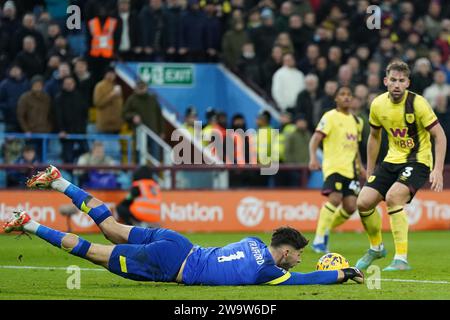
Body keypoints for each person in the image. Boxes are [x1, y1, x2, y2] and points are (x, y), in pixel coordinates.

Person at [3, 165, 364, 286]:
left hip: (177, 241)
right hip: (172, 263)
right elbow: (307, 279)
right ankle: (30, 223)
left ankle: (60, 182)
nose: (298, 260)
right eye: (298, 254)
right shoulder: (268, 272)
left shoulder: (253, 239)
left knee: (111, 226)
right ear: (285, 252)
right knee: (95, 252)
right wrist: (344, 273)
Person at [355, 60, 447, 271]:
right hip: (391, 160)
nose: (397, 84)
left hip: (418, 161)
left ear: (408, 83)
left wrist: (438, 169)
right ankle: (376, 248)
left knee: (394, 197)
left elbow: (439, 135)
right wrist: (370, 171)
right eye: (393, 80)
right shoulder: (377, 104)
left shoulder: (418, 103)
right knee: (363, 202)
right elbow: (374, 137)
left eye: (401, 80)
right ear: (385, 81)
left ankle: (401, 259)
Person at [309, 86, 365, 253]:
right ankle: (318, 240)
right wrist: (312, 157)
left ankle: (325, 229)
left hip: (351, 170)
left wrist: (360, 167)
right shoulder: (330, 116)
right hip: (334, 167)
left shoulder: (358, 121)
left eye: (349, 94)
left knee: (350, 207)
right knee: (334, 199)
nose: (346, 97)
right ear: (336, 99)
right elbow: (316, 138)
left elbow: (355, 148)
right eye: (342, 94)